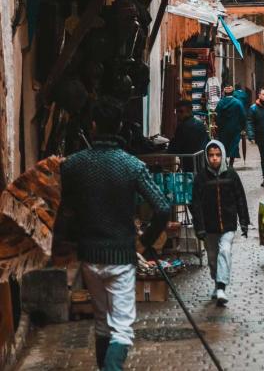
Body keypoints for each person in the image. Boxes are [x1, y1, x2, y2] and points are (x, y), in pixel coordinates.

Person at [58, 97, 169, 371]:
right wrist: (144, 242)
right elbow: (163, 208)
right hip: (121, 255)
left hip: (89, 256)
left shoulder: (72, 165)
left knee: (102, 324)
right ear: (119, 126)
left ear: (93, 126)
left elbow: (62, 206)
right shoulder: (132, 166)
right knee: (121, 328)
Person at [191, 140, 249, 307]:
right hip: (209, 227)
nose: (214, 158)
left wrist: (243, 222)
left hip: (228, 224)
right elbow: (196, 205)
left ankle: (222, 287)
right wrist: (199, 227)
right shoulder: (201, 178)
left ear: (222, 155)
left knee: (225, 250)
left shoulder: (231, 175)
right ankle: (217, 283)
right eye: (211, 155)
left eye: (217, 155)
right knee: (212, 258)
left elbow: (240, 199)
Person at [168, 99, 209, 170]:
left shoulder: (182, 127)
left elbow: (174, 148)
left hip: (189, 164)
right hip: (201, 162)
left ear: (189, 111)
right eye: (177, 112)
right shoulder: (200, 124)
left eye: (180, 112)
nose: (178, 114)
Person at [215, 84, 247, 166]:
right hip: (235, 129)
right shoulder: (238, 103)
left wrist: (218, 127)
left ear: (224, 93)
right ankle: (231, 164)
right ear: (233, 93)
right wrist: (243, 128)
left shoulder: (220, 103)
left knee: (224, 146)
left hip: (223, 130)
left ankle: (224, 163)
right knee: (233, 146)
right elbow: (243, 116)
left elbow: (216, 116)